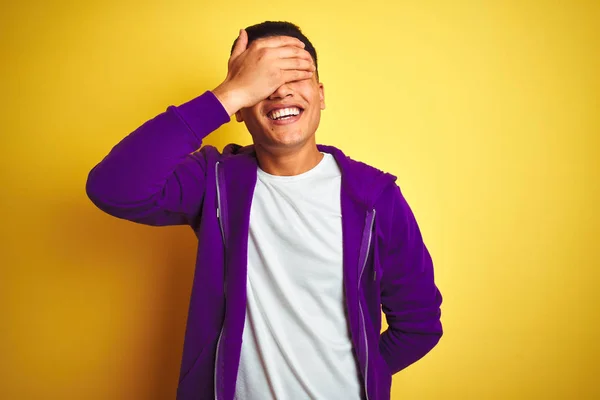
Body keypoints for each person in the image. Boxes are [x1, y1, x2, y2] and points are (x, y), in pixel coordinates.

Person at [86, 21, 443, 400]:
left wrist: (355, 377)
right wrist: (226, 94)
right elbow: (113, 188)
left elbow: (419, 326)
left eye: (296, 74)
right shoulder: (214, 181)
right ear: (240, 108)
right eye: (263, 79)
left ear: (320, 95)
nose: (281, 90)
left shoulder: (374, 198)